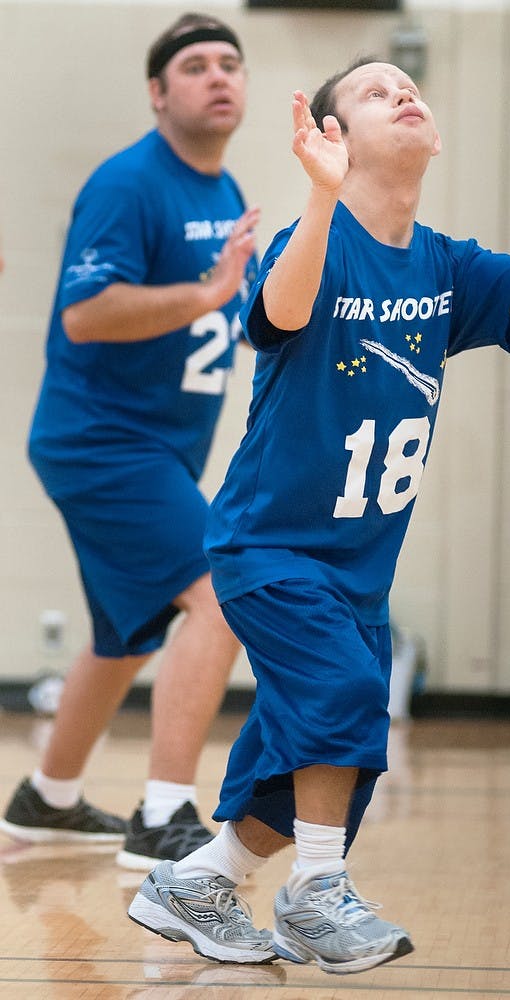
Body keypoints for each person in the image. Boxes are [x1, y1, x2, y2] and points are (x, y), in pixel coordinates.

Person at [127, 60, 510, 972]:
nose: (402, 93)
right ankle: (317, 894)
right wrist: (319, 201)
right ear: (333, 140)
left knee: (309, 760)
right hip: (269, 546)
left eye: (410, 87)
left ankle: (196, 882)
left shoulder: (441, 261)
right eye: (372, 91)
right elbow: (279, 307)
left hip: (360, 567)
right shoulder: (311, 240)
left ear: (430, 138)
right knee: (348, 703)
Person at [0, 12, 259, 871]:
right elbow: (87, 310)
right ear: (158, 94)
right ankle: (164, 814)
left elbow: (220, 316)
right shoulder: (128, 184)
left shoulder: (221, 191)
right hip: (101, 441)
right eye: (195, 66)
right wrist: (206, 290)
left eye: (231, 63)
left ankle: (50, 797)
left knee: (127, 633)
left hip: (160, 448)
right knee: (221, 592)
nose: (218, 76)